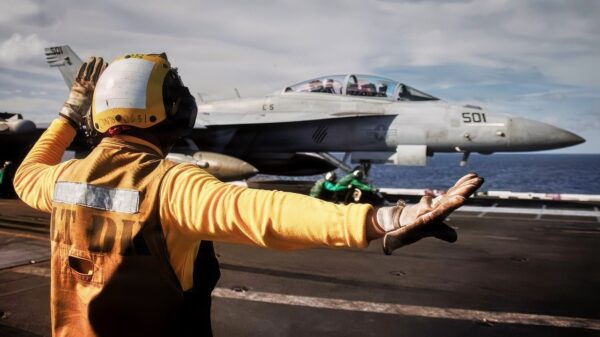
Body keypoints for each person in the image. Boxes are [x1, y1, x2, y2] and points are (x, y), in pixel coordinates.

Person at [14, 54, 483, 337]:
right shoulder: (173, 186)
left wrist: (70, 113)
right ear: (177, 114)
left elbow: (27, 173)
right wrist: (385, 219)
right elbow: (267, 213)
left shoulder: (61, 181)